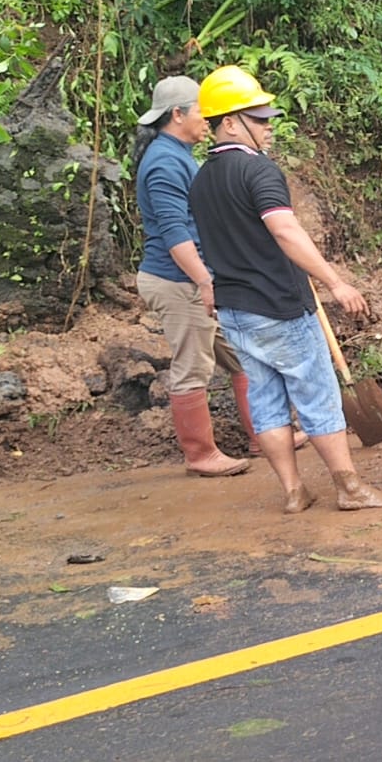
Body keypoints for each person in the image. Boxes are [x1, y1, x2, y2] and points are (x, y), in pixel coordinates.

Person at [187, 65, 382, 514]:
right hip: (279, 307)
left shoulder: (202, 179)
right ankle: (349, 487)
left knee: (265, 400)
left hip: (235, 311)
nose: (269, 126)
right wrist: (335, 282)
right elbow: (284, 230)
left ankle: (293, 491)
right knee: (317, 395)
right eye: (259, 119)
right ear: (229, 122)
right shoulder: (258, 171)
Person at [131, 76, 250, 478]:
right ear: (177, 114)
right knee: (192, 366)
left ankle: (262, 433)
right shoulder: (165, 163)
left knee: (241, 354)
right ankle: (200, 455)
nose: (208, 118)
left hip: (193, 277)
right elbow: (174, 234)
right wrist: (204, 281)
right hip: (178, 281)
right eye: (202, 111)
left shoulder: (176, 154)